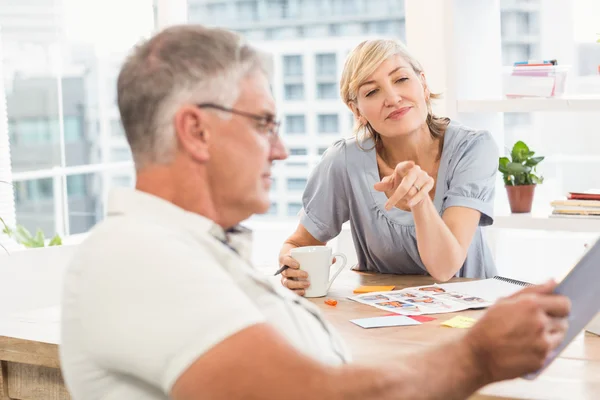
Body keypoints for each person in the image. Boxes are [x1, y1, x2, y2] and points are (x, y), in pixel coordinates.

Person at [59, 25, 570, 400]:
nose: (279, 150)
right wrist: (476, 356)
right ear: (197, 132)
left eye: (400, 81)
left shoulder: (192, 253)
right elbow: (316, 393)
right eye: (264, 123)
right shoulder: (140, 261)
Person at [280, 39, 498, 295]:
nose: (393, 98)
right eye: (372, 92)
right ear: (356, 110)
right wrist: (290, 266)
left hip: (472, 313)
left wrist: (419, 202)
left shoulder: (472, 148)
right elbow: (298, 243)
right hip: (384, 320)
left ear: (424, 85)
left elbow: (444, 268)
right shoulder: (343, 161)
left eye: (401, 79)